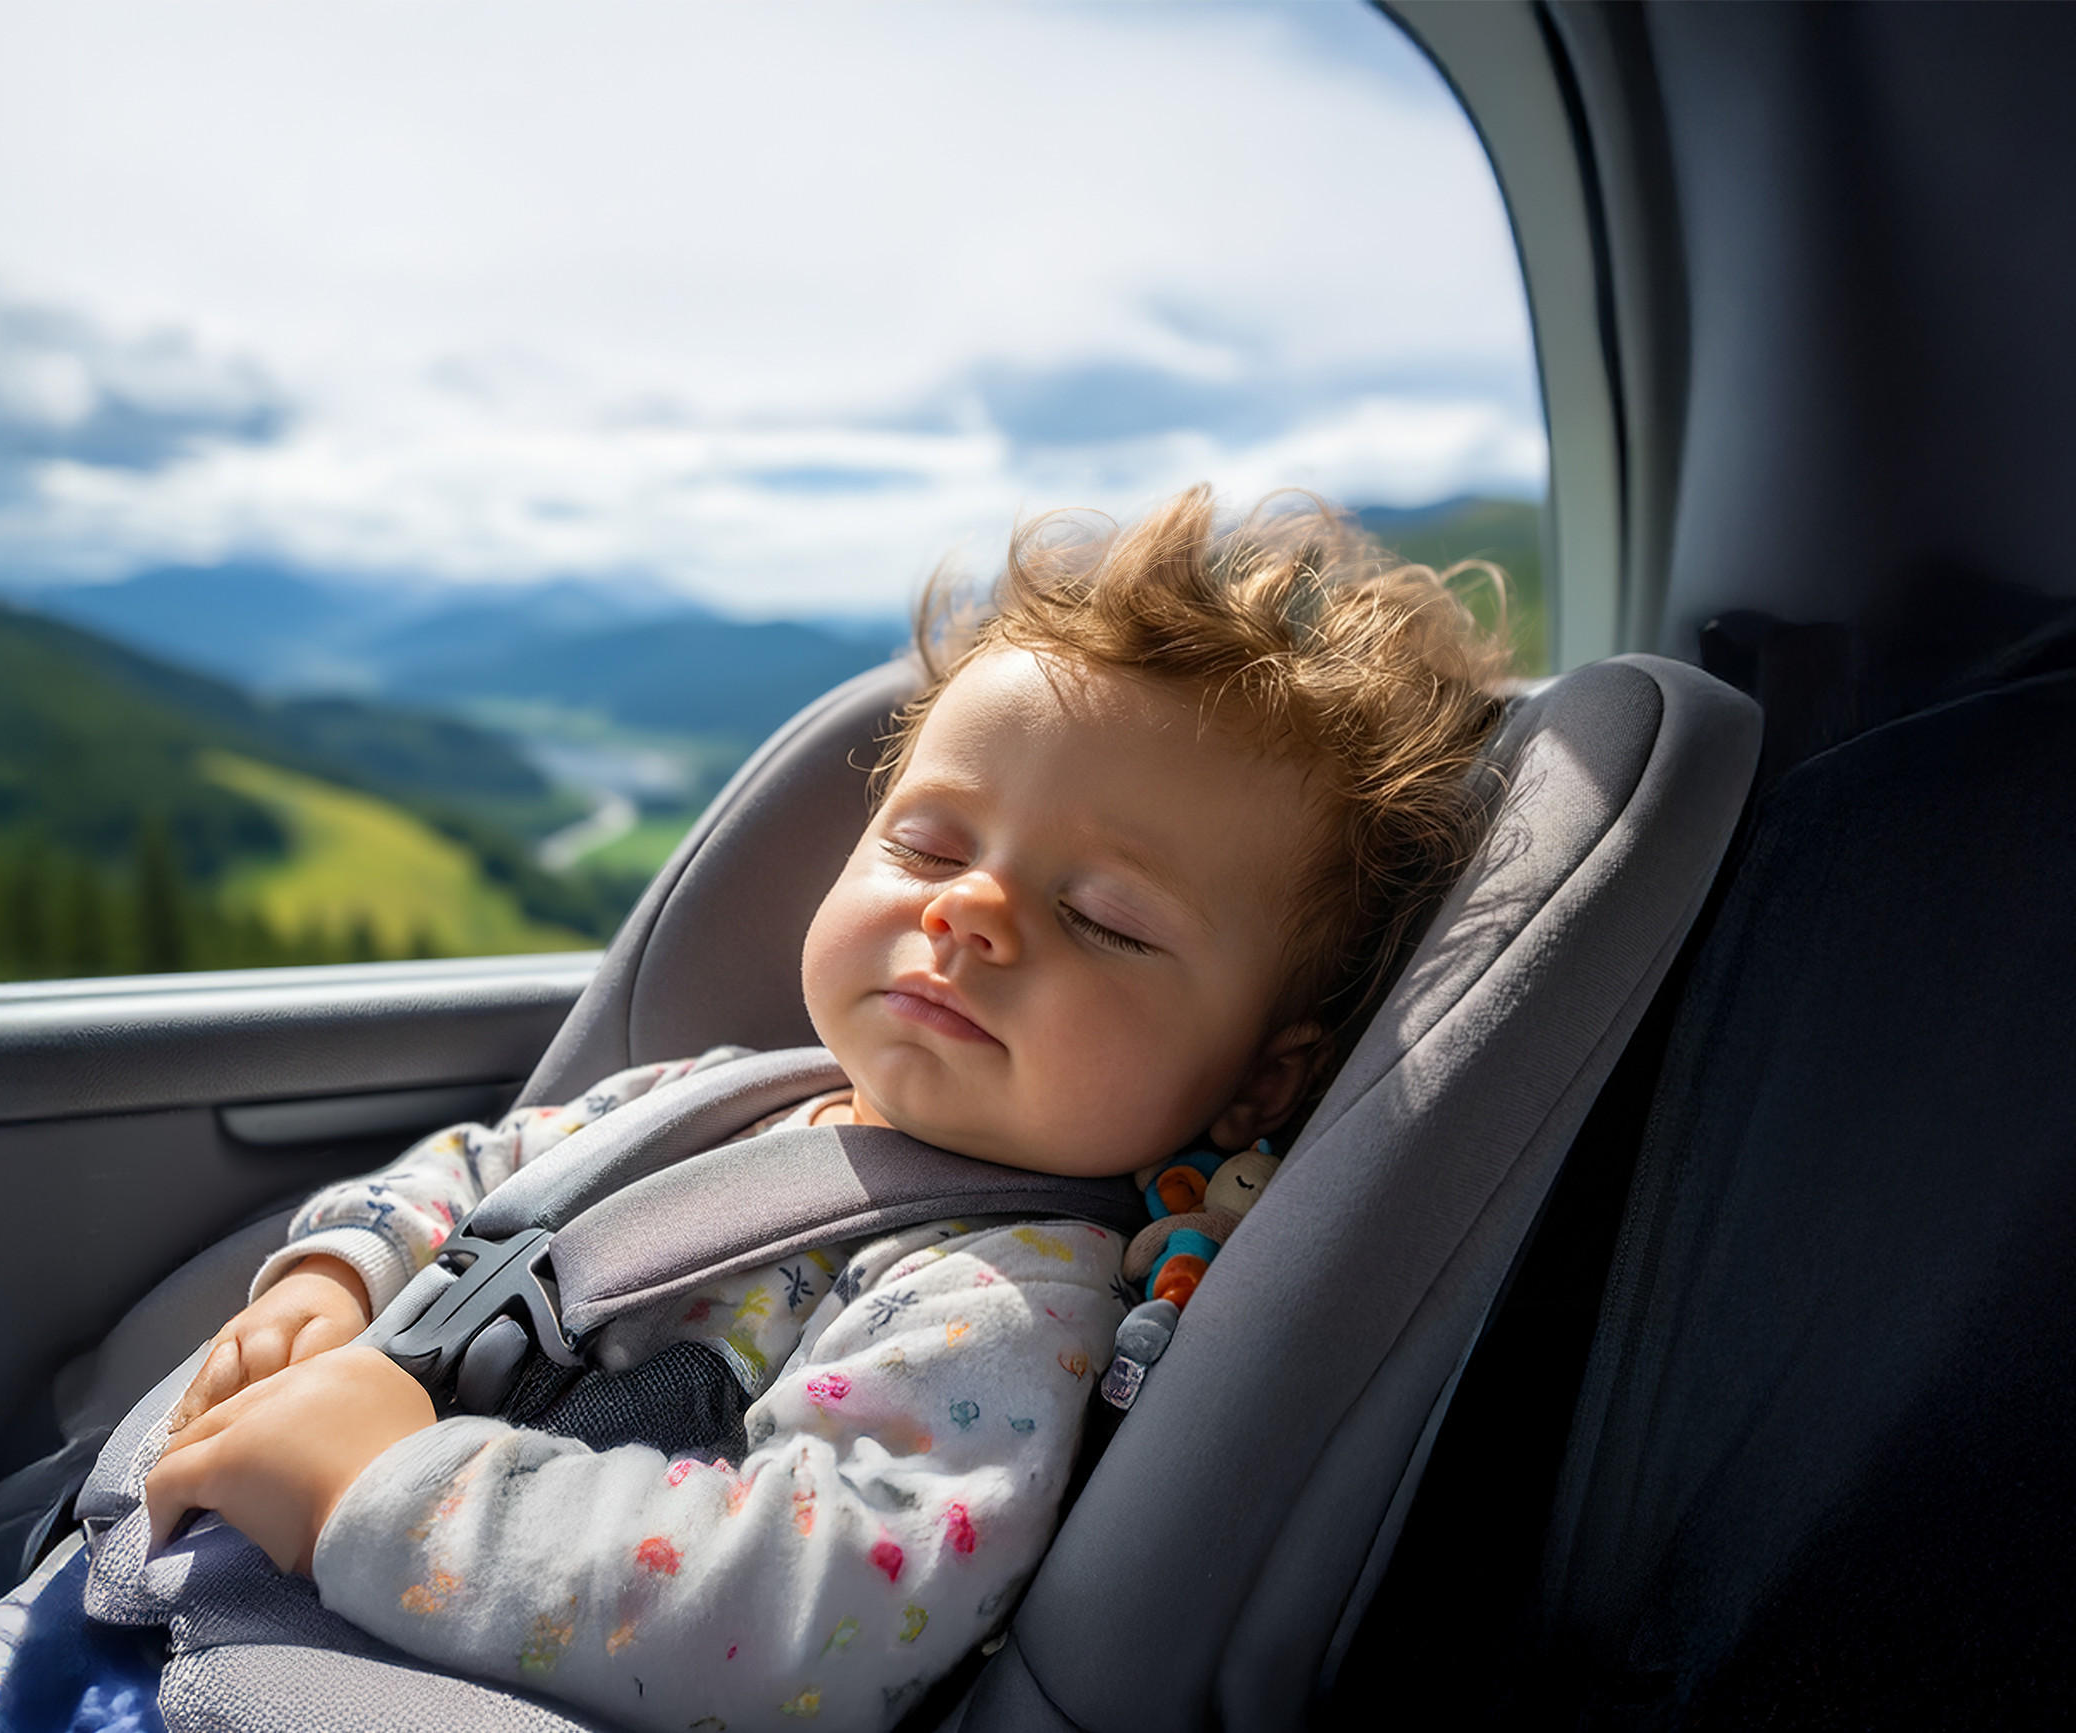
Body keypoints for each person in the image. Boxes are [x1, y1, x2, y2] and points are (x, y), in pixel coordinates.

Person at [123, 484, 1510, 1733]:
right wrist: (341, 1266)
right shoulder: (713, 1099)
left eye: (1102, 919)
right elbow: (486, 1172)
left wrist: (392, 1493)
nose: (966, 909)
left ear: (1265, 1071)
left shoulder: (1005, 1303)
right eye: (928, 842)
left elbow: (819, 1610)